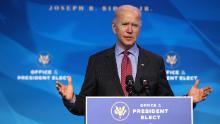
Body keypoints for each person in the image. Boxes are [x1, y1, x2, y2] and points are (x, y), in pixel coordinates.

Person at [56, 5, 212, 116]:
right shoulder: (96, 61)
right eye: (125, 24)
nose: (130, 30)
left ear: (140, 28)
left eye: (135, 25)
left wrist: (188, 101)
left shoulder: (155, 61)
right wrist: (71, 99)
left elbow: (166, 106)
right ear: (114, 27)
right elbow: (86, 106)